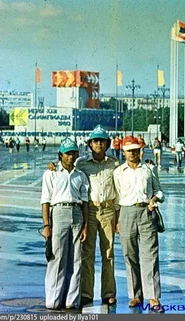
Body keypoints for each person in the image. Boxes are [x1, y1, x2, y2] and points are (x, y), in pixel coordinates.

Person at [113, 136, 164, 312]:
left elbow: (159, 190)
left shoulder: (148, 169)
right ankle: (135, 294)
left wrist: (155, 198)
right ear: (123, 152)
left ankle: (153, 296)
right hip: (126, 213)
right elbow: (117, 198)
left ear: (140, 150)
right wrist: (117, 220)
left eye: (135, 150)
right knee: (130, 255)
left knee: (150, 255)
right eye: (129, 150)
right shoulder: (118, 172)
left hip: (146, 212)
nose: (133, 153)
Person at [40, 138, 89, 310]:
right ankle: (53, 299)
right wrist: (47, 225)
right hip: (58, 212)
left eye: (74, 153)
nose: (71, 156)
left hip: (76, 213)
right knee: (57, 257)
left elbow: (85, 202)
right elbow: (45, 201)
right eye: (68, 153)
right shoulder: (51, 173)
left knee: (76, 259)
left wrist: (85, 226)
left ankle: (71, 300)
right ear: (60, 155)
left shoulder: (80, 175)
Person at [75, 125, 119, 306]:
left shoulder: (115, 164)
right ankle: (86, 292)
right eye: (95, 141)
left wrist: (118, 217)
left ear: (107, 144)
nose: (98, 144)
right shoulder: (82, 164)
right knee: (87, 253)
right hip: (90, 211)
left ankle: (108, 292)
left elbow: (119, 190)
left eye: (102, 141)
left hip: (108, 210)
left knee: (108, 253)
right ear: (90, 144)